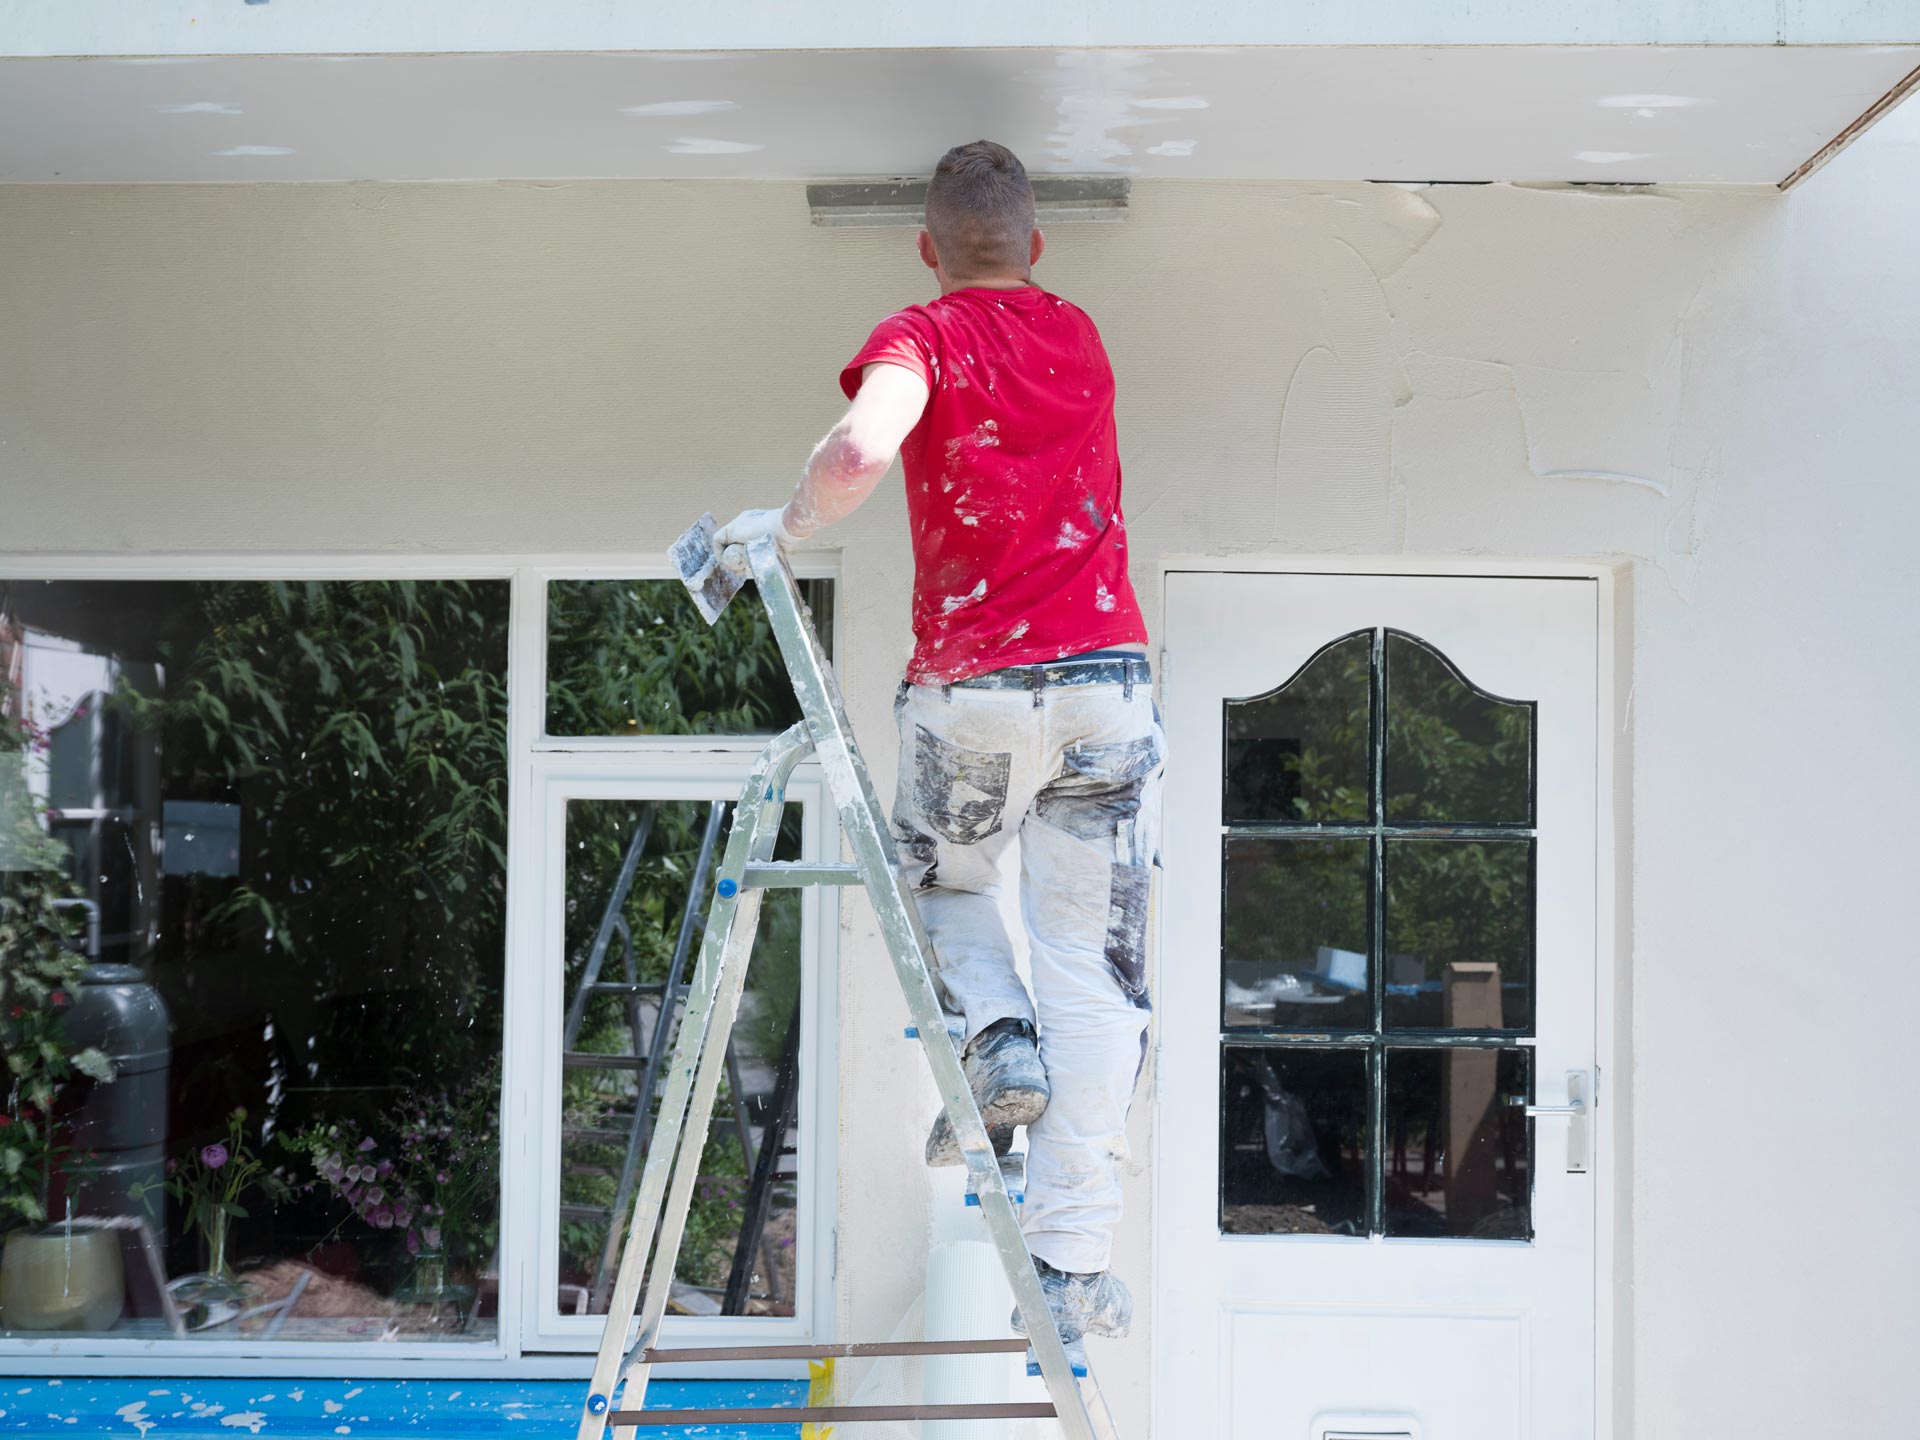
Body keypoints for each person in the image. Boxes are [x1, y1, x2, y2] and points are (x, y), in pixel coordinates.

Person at [714, 139, 1162, 1365]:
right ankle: (1070, 1264)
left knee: (939, 875)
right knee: (1098, 977)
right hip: (1108, 689)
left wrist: (787, 525)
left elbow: (862, 451)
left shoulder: (925, 334)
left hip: (976, 686)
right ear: (1035, 242)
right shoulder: (1078, 334)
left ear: (928, 244)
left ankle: (992, 1041)